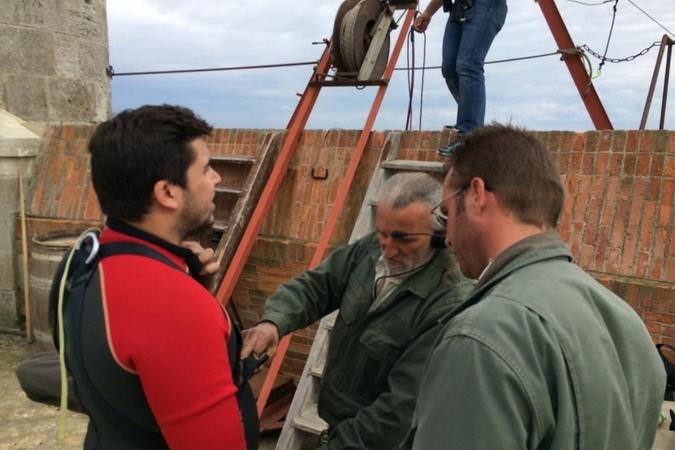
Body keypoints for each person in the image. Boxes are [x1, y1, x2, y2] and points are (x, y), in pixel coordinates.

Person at [406, 124, 666, 449]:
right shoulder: (625, 321)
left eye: (446, 214)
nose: (447, 237)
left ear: (477, 195)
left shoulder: (483, 335)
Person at [58, 105, 257, 450]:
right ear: (167, 192)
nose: (217, 179)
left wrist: (190, 287)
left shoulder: (80, 261)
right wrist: (190, 301)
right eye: (206, 169)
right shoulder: (173, 304)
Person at [242, 172, 473, 449]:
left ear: (440, 236)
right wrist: (274, 322)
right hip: (338, 426)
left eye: (403, 239)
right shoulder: (370, 250)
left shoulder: (448, 302)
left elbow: (399, 409)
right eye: (382, 234)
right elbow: (317, 286)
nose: (388, 250)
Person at [414, 0, 507, 155]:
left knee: (468, 65)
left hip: (487, 5)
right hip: (459, 7)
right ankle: (470, 117)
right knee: (449, 68)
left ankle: (470, 133)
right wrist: (428, 13)